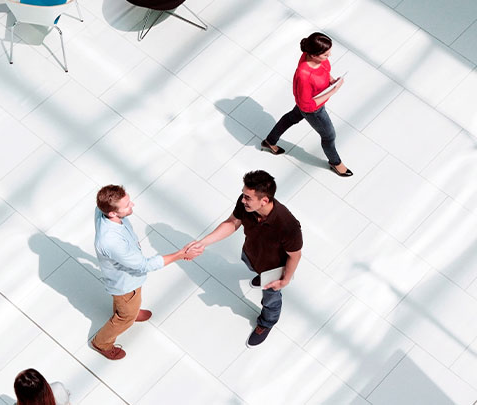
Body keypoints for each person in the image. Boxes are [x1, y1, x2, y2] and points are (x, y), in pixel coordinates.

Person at [186, 170, 302, 346]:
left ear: (264, 200)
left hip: (273, 270)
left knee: (271, 299)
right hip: (251, 254)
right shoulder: (247, 206)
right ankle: (259, 275)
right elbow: (233, 222)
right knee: (251, 266)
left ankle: (267, 322)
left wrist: (284, 280)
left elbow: (295, 255)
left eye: (248, 197)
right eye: (243, 195)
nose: (242, 200)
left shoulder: (288, 226)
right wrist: (203, 242)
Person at [91, 185, 196, 360]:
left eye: (128, 200)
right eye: (126, 205)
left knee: (130, 302)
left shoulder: (103, 210)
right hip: (125, 284)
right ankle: (102, 342)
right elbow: (143, 266)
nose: (132, 204)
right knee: (126, 315)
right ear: (112, 213)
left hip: (127, 279)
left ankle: (128, 310)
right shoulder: (111, 241)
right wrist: (179, 254)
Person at [261, 32, 353, 177]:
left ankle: (269, 141)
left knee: (292, 117)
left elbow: (324, 70)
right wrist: (333, 90)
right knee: (329, 136)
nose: (329, 57)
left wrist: (331, 80)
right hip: (314, 110)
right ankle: (335, 163)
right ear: (314, 55)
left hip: (309, 100)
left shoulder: (311, 57)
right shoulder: (304, 76)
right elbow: (307, 106)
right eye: (325, 55)